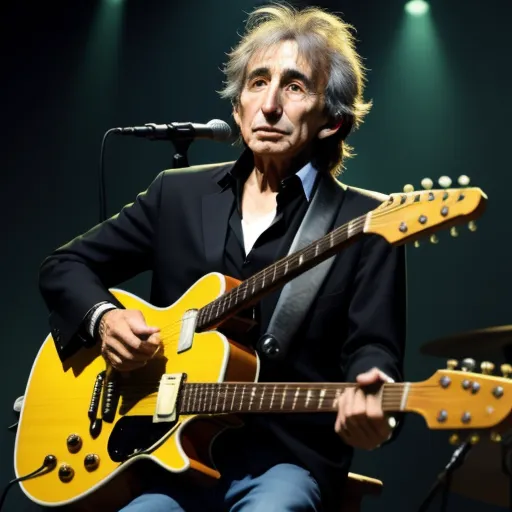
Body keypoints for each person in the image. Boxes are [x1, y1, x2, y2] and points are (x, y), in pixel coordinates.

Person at [38, 4, 406, 511]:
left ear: (333, 123)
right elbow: (64, 266)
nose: (269, 105)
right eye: (257, 83)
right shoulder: (178, 196)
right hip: (164, 460)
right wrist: (104, 321)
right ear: (237, 108)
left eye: (295, 87)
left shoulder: (366, 221)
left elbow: (374, 350)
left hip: (285, 463)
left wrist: (374, 396)